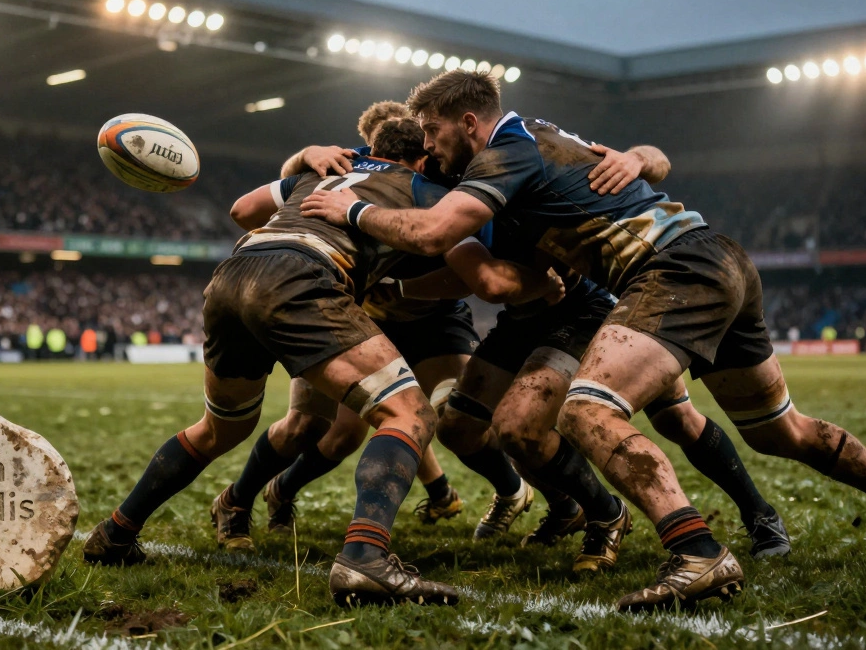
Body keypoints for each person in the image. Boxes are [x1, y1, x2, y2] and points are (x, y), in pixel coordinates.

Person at [302, 69, 866, 612]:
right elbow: (644, 164)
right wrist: (643, 156)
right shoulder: (542, 139)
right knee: (777, 430)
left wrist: (352, 210)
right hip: (715, 258)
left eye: (437, 133)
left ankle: (698, 553)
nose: (432, 146)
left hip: (670, 272)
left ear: (469, 124)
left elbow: (431, 234)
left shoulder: (508, 151)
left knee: (589, 410)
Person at [83, 117, 559, 607]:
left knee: (218, 429)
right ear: (421, 158)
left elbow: (243, 209)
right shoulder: (424, 185)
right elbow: (464, 262)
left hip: (235, 274)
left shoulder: (325, 170)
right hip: (304, 278)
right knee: (409, 414)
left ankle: (115, 533)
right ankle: (365, 559)